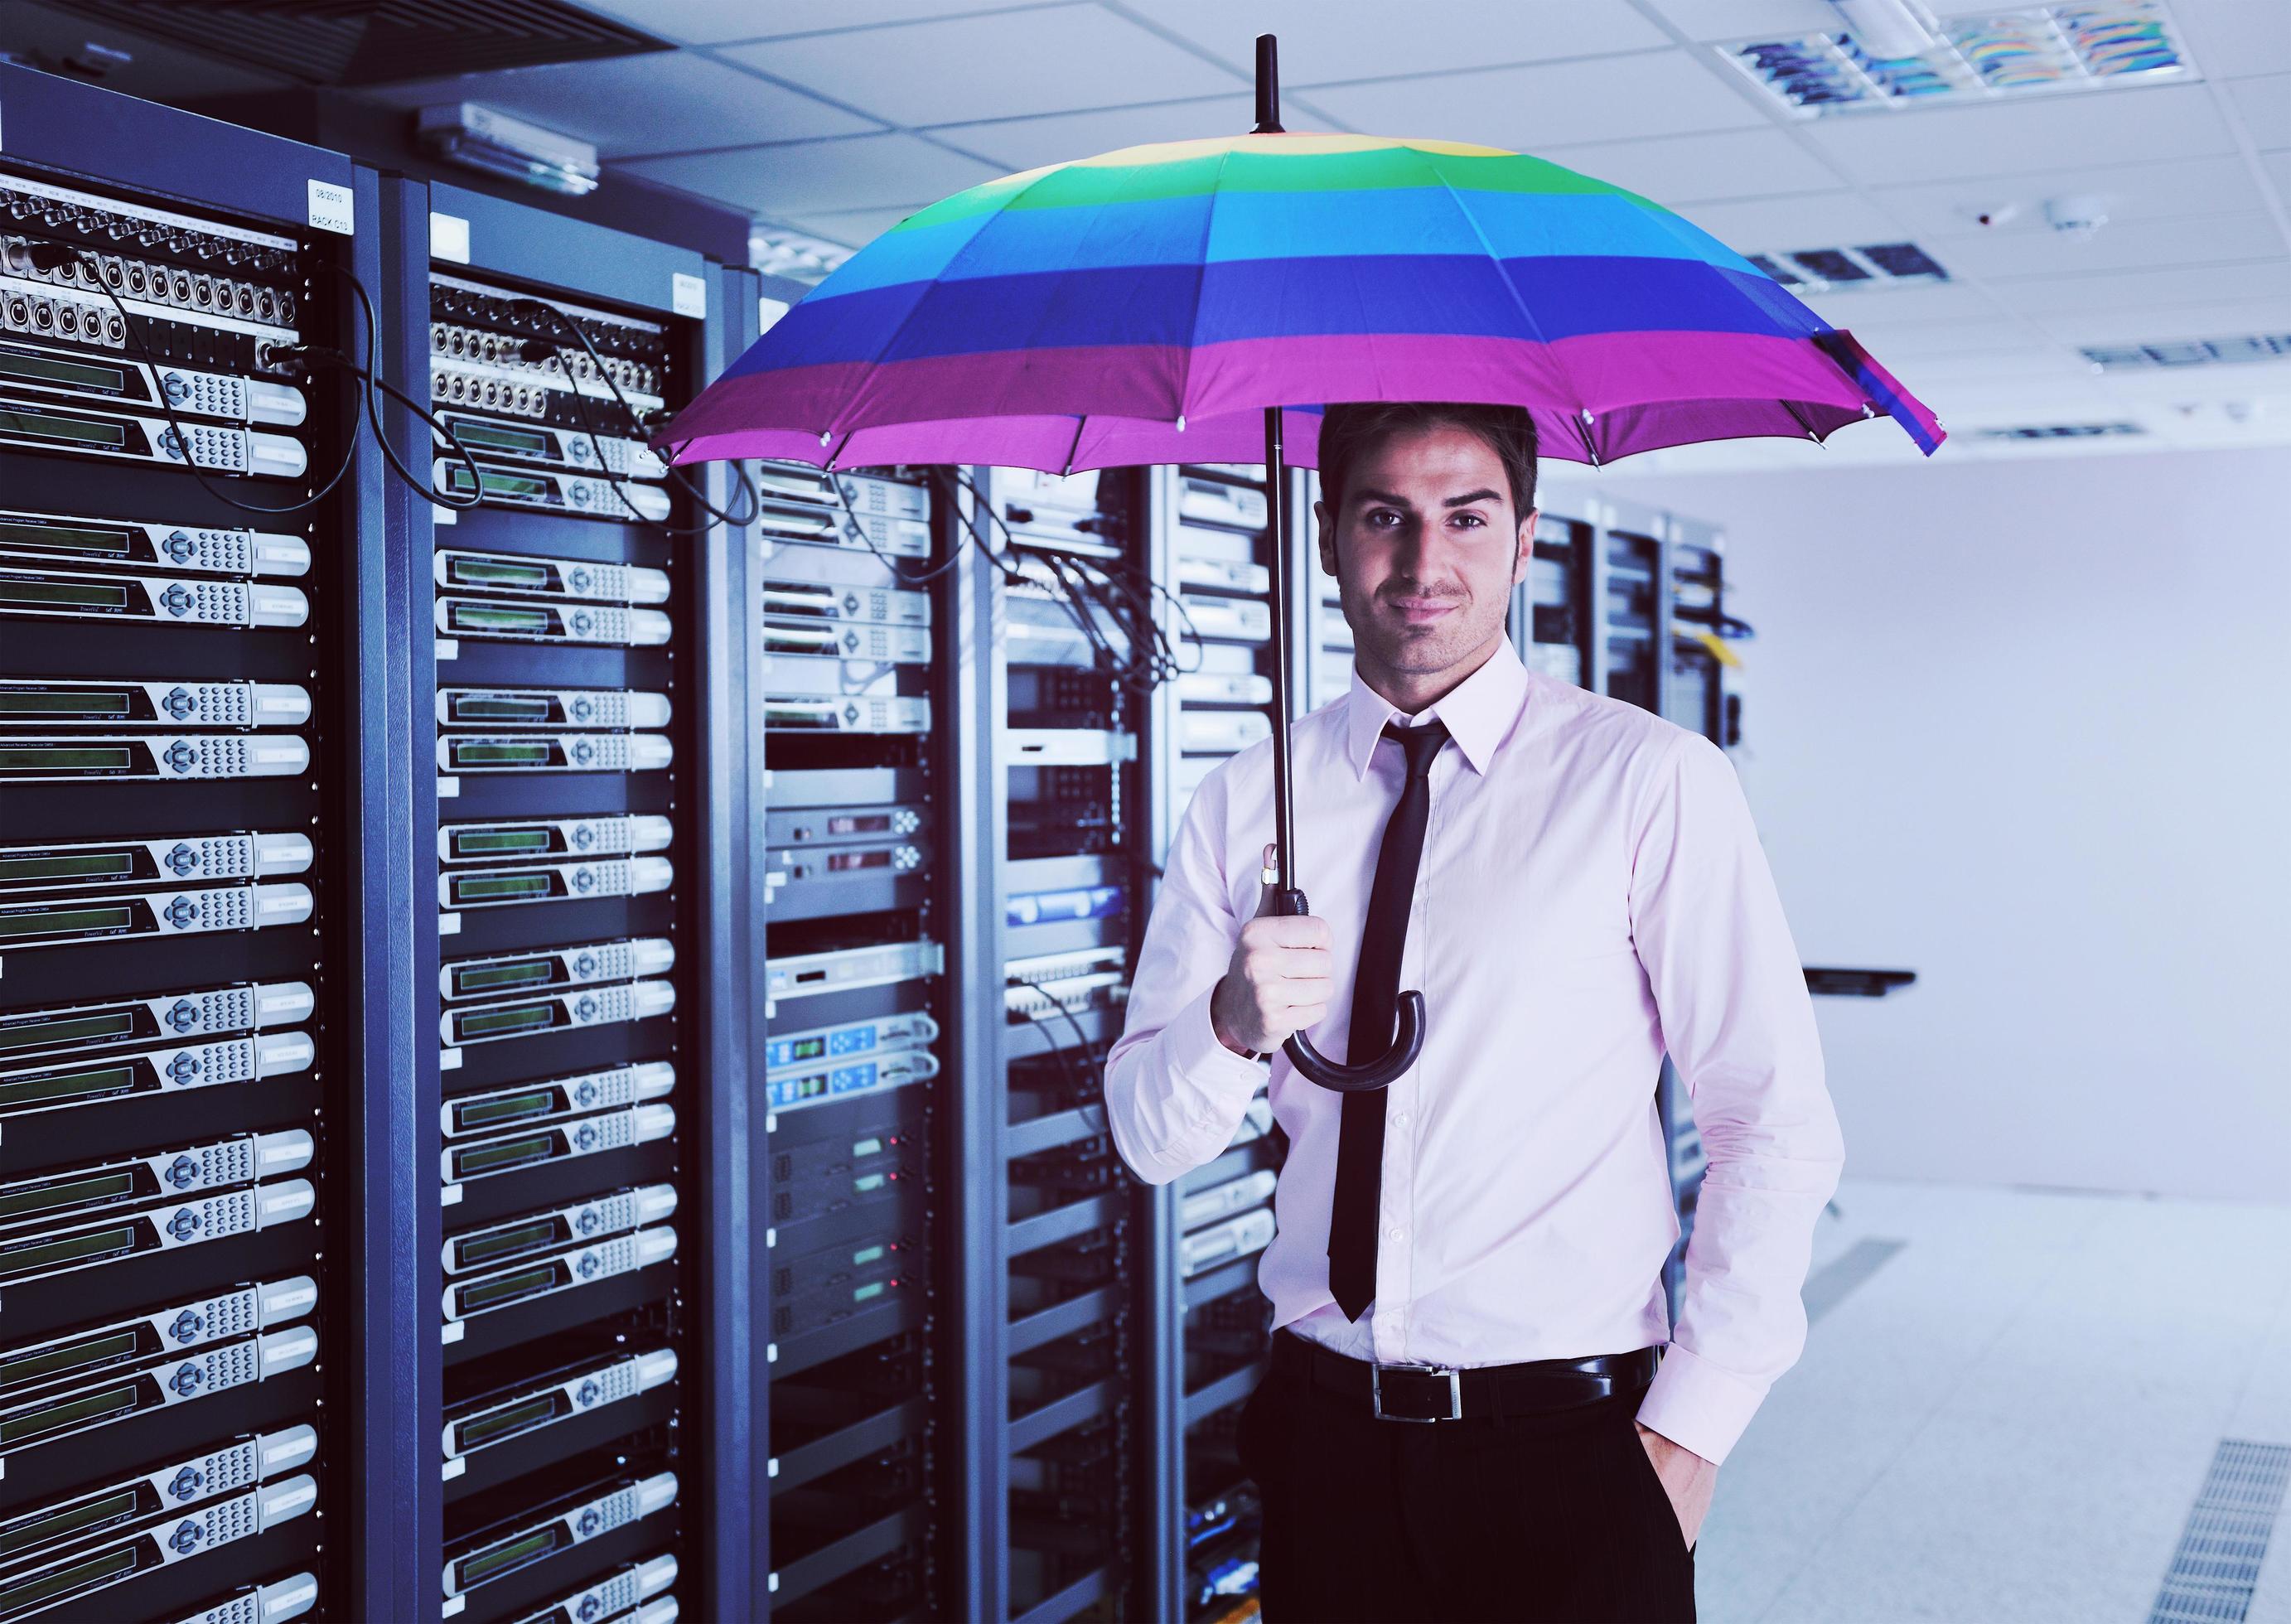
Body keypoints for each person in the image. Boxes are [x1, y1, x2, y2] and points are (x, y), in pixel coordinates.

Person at [1104, 400, 1845, 1622]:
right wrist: (1230, 1022)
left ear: (1525, 538)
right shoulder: (1249, 800)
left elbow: (1771, 1120)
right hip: (1323, 1434)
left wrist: (1689, 1440)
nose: (1422, 562)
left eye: (1466, 516)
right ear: (1329, 535)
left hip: (1568, 1445)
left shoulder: (1646, 779)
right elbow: (1147, 1134)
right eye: (1383, 516)